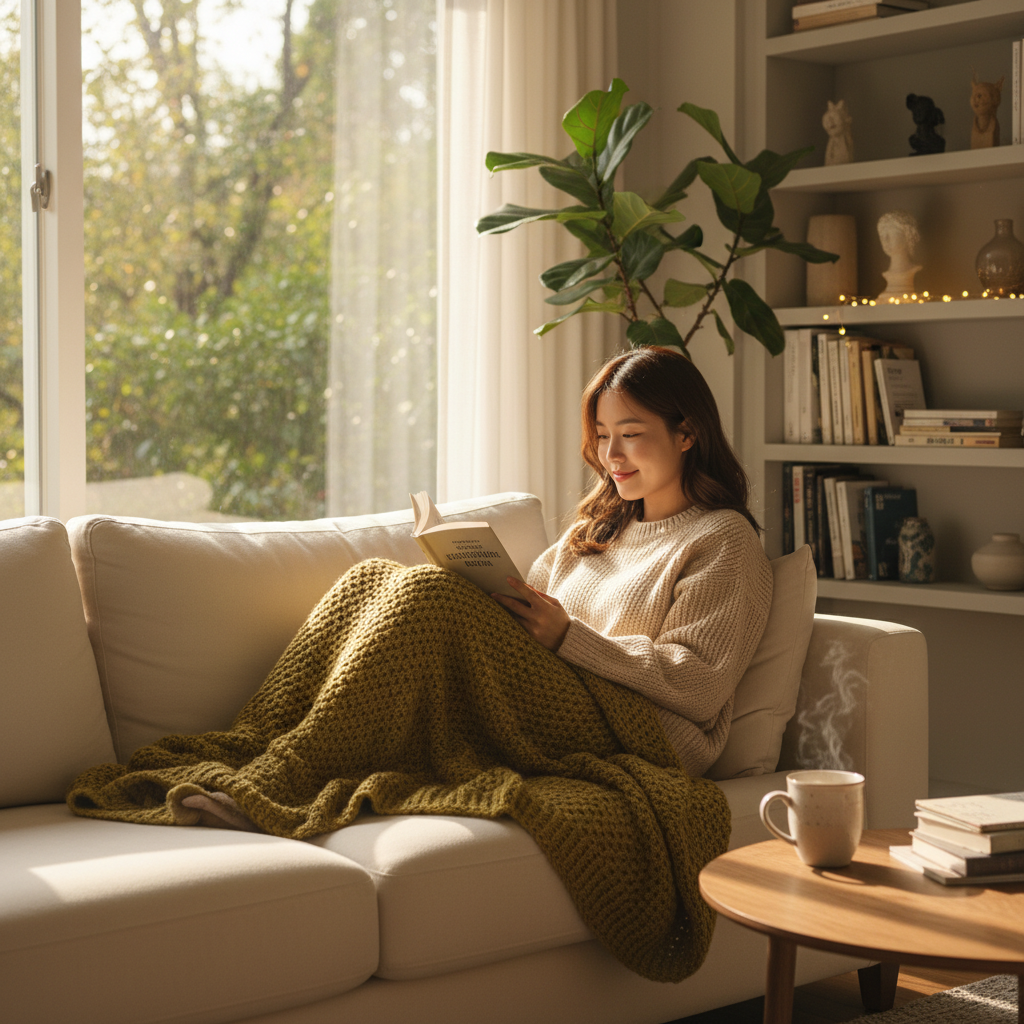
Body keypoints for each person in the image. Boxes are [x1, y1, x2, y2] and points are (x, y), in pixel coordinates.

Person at [493, 345, 772, 777]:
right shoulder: (594, 529)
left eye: (631, 434)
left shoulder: (722, 538)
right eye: (602, 436)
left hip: (641, 734)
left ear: (686, 434)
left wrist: (569, 636)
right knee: (400, 584)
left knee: (428, 600)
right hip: (545, 703)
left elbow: (697, 683)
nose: (611, 456)